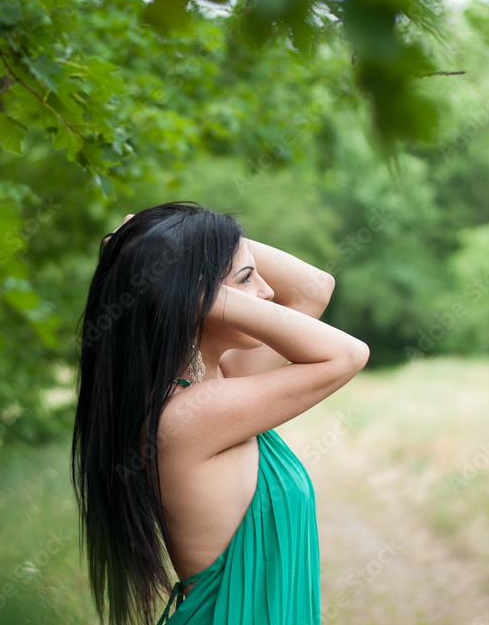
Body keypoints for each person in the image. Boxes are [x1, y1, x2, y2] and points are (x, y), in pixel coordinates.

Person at [71, 201, 369, 625]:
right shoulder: (189, 416)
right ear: (198, 300)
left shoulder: (218, 381)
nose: (267, 292)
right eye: (246, 281)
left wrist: (171, 242)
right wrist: (182, 276)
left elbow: (313, 286)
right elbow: (347, 355)